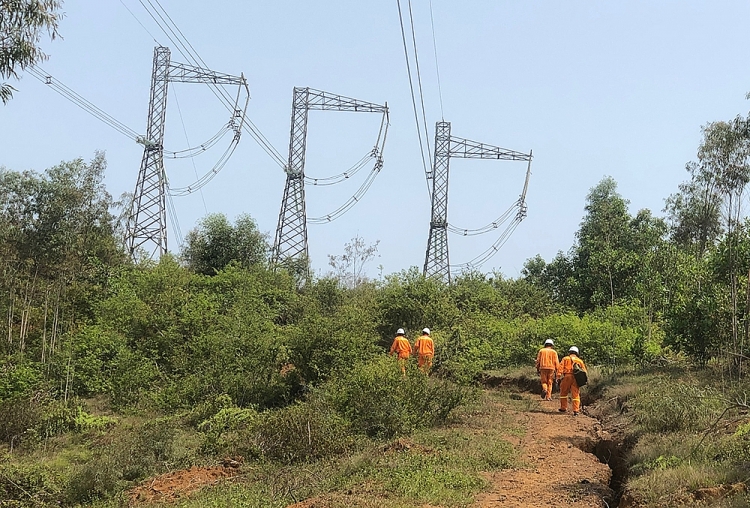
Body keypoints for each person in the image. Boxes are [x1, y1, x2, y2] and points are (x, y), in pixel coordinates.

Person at [557, 346, 587, 415]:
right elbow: (584, 372)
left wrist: (558, 377)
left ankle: (563, 408)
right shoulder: (580, 361)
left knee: (563, 393)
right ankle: (576, 410)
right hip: (576, 378)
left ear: (569, 352)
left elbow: (560, 368)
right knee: (576, 394)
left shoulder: (565, 359)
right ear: (577, 353)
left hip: (567, 377)